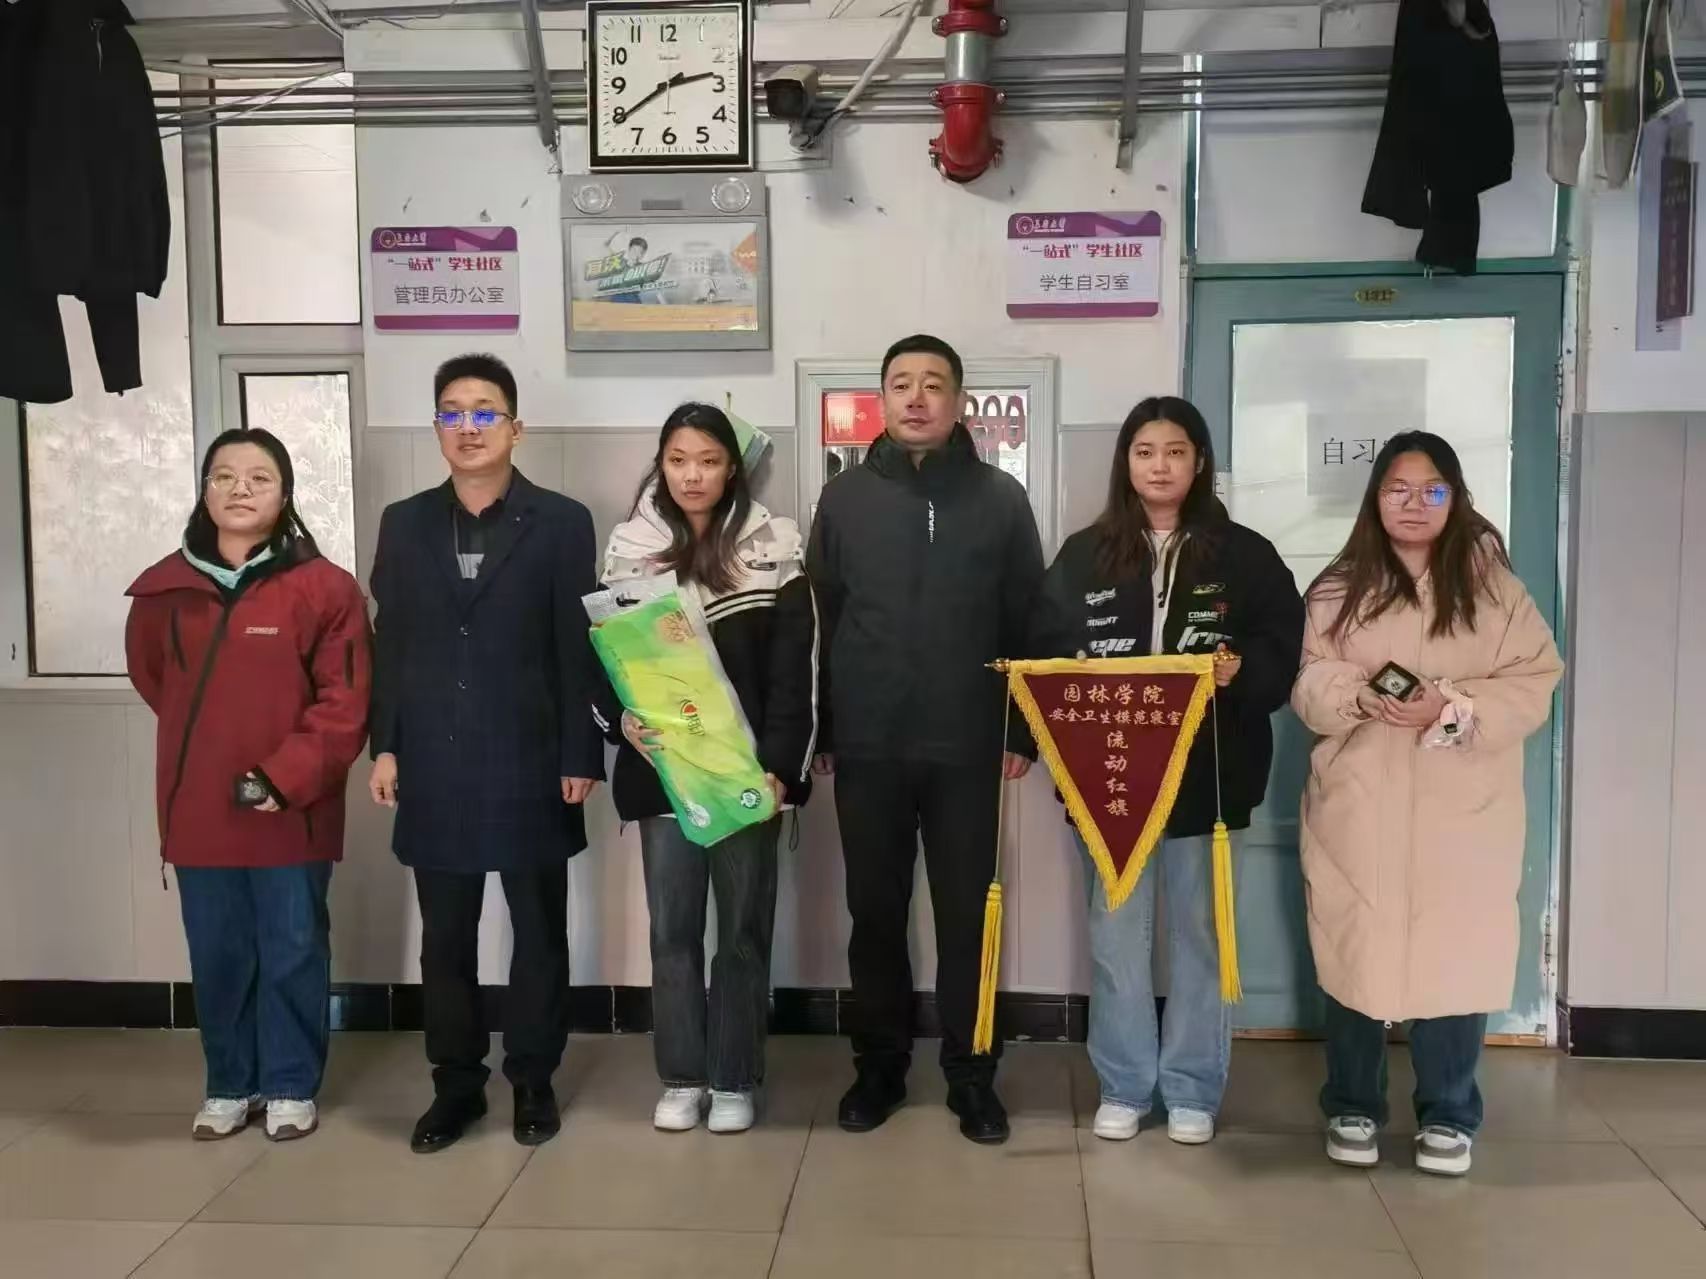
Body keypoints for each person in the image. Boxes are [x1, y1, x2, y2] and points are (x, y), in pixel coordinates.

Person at [1292, 431, 1562, 1177]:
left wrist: (1450, 703)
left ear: (1456, 497)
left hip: (1461, 812)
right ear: (1375, 498)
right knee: (1353, 950)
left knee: (1455, 955)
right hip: (1360, 807)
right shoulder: (1339, 588)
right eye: (1398, 489)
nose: (1415, 504)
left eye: (1433, 490)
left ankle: (1449, 1112)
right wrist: (1359, 695)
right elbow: (1308, 680)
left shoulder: (1497, 591)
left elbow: (1535, 680)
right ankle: (1352, 1103)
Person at [1040, 397, 1302, 1145]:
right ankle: (1124, 1084)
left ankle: (1192, 1087)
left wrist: (1240, 671)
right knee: (1115, 937)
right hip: (1111, 779)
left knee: (1202, 936)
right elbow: (1042, 646)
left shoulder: (1245, 554)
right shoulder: (1084, 554)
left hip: (1209, 777)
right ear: (1126, 462)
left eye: (1176, 451)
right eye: (1145, 451)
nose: (1160, 466)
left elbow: (1283, 646)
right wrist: (1069, 677)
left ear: (1200, 461)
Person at [807, 334, 1045, 1146]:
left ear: (959, 401)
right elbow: (822, 619)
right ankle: (879, 1064)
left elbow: (1027, 618)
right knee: (874, 911)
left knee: (967, 915)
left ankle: (972, 1073)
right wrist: (825, 727)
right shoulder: (844, 500)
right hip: (868, 744)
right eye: (901, 383)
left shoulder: (1000, 498)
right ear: (881, 399)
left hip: (968, 744)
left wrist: (1020, 728)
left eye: (934, 384)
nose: (917, 397)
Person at [368, 353, 605, 1155]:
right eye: (452, 412)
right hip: (433, 759)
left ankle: (533, 1078)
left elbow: (577, 645)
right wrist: (386, 745)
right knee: (446, 937)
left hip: (533, 756)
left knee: (539, 929)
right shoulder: (405, 522)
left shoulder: (562, 521)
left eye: (483, 412)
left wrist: (581, 751)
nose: (467, 427)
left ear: (515, 427)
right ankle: (456, 1085)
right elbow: (392, 644)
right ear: (435, 426)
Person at [125, 428, 371, 1144]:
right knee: (218, 952)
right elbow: (156, 681)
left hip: (291, 809)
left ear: (285, 495)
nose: (240, 488)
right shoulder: (164, 590)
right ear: (204, 491)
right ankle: (230, 1083)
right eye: (224, 475)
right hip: (199, 809)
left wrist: (280, 776)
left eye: (259, 477)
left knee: (293, 946)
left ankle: (290, 1084)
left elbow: (346, 701)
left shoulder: (325, 588)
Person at [598, 403, 818, 1136]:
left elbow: (796, 672)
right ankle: (682, 1076)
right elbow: (606, 660)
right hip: (666, 776)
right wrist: (622, 722)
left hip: (746, 778)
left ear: (732, 469)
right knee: (672, 933)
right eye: (678, 460)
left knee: (744, 933)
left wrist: (783, 769)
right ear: (661, 465)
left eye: (709, 460)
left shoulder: (773, 547)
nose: (692, 475)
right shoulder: (629, 549)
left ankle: (733, 1076)